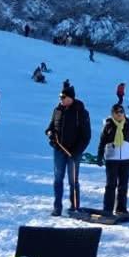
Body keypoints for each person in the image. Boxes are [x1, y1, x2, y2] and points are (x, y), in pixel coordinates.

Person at [45, 85, 91, 216]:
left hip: (74, 153)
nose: (61, 99)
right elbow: (50, 127)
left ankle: (74, 207)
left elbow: (86, 135)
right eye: (60, 96)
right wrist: (50, 133)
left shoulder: (81, 112)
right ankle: (57, 207)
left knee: (73, 181)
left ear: (71, 98)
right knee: (58, 178)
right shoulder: (57, 110)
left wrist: (77, 151)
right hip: (59, 150)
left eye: (63, 97)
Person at [95, 103, 129, 217]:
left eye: (121, 111)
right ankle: (108, 209)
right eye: (117, 112)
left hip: (126, 160)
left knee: (123, 185)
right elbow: (102, 142)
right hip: (112, 159)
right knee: (110, 185)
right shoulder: (108, 125)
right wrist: (100, 156)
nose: (119, 114)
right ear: (112, 114)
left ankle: (121, 209)